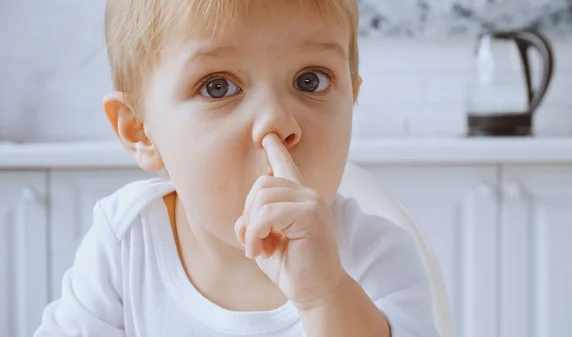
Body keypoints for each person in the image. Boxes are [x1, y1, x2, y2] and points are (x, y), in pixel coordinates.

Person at [35, 1, 439, 336]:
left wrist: (324, 294)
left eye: (311, 80)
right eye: (218, 86)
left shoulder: (377, 257)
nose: (277, 122)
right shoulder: (125, 243)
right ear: (141, 131)